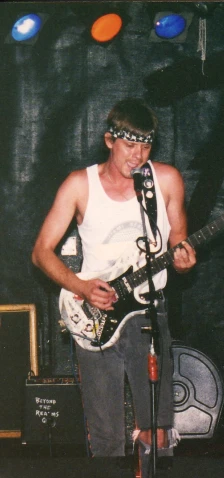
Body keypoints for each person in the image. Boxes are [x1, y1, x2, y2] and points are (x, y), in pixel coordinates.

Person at [31, 98, 197, 457]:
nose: (138, 156)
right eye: (130, 144)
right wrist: (81, 287)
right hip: (97, 313)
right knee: (106, 436)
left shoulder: (165, 180)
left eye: (146, 145)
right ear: (109, 140)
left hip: (147, 313)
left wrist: (183, 261)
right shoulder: (79, 185)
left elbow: (179, 242)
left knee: (158, 431)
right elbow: (41, 251)